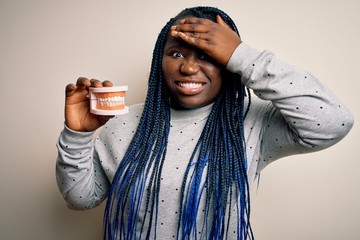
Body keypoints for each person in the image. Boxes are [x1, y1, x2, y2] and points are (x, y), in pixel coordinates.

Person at [56, 6, 353, 240]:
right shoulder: (122, 123)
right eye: (175, 53)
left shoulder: (252, 123)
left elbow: (334, 121)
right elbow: (81, 199)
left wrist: (242, 55)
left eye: (208, 54)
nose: (187, 67)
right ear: (159, 62)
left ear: (228, 63)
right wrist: (78, 135)